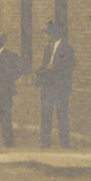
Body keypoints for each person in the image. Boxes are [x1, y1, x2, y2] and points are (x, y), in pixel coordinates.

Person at [35, 19, 76, 148]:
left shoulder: (67, 49)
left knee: (62, 113)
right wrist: (39, 71)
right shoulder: (47, 48)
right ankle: (45, 142)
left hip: (60, 86)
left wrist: (54, 68)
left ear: (54, 34)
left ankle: (65, 142)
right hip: (47, 85)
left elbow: (69, 67)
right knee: (46, 113)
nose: (45, 36)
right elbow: (45, 64)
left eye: (47, 33)